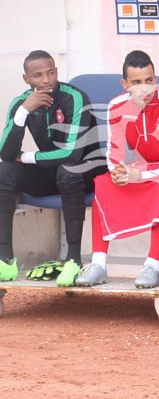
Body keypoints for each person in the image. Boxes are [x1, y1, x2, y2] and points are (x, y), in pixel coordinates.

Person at [74, 50, 159, 288]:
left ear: (155, 79)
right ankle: (98, 263)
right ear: (124, 84)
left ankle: (152, 266)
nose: (144, 88)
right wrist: (118, 171)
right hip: (141, 166)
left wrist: (140, 175)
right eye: (136, 83)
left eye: (149, 81)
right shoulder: (117, 105)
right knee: (103, 184)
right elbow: (114, 152)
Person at [0, 50, 104, 286]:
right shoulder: (21, 103)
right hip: (52, 170)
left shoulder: (74, 97)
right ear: (26, 79)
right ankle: (5, 259)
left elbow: (72, 152)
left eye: (51, 72)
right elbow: (6, 154)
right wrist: (24, 111)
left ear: (57, 72)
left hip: (87, 169)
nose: (46, 80)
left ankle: (73, 260)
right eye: (38, 75)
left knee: (69, 170)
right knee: (3, 172)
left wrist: (27, 157)